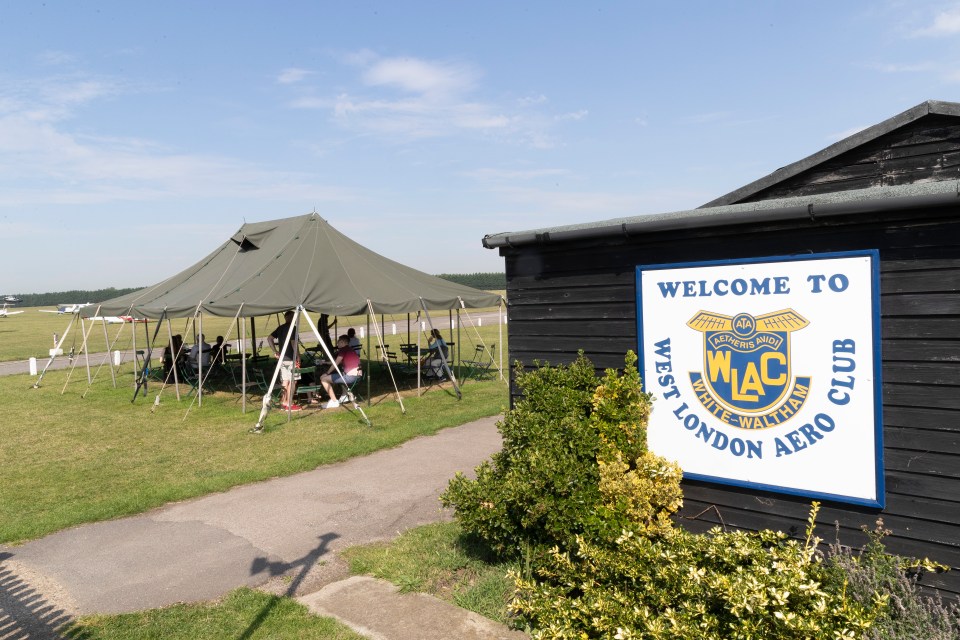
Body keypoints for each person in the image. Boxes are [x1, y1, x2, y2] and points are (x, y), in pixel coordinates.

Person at [267, 310, 301, 411]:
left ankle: (283, 401)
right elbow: (293, 343)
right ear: (292, 318)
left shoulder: (280, 328)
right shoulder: (293, 328)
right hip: (291, 358)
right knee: (293, 381)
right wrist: (298, 356)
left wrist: (275, 351)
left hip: (283, 359)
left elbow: (269, 338)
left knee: (285, 381)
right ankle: (288, 403)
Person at [319, 334, 361, 409]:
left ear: (344, 342)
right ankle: (344, 396)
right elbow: (339, 362)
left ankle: (334, 401)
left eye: (339, 342)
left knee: (323, 379)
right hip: (358, 376)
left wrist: (326, 373)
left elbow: (336, 364)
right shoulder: (350, 349)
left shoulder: (343, 350)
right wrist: (325, 362)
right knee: (340, 374)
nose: (337, 343)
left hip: (350, 377)